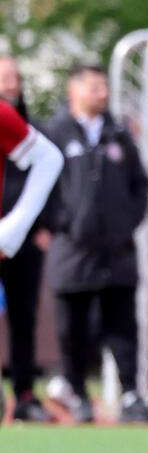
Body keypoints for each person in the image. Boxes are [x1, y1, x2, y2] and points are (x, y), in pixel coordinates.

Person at [39, 65, 148, 423]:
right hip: (73, 250)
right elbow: (38, 186)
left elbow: (140, 185)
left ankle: (132, 396)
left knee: (122, 326)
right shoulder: (54, 133)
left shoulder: (118, 133)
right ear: (74, 89)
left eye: (104, 87)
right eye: (94, 87)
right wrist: (63, 224)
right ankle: (77, 394)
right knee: (73, 328)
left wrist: (124, 224)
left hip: (117, 250)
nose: (102, 93)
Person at [0, 56, 57, 422]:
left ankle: (23, 395)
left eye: (13, 76)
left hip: (15, 243)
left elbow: (50, 160)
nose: (10, 82)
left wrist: (19, 225)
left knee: (22, 317)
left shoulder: (11, 119)